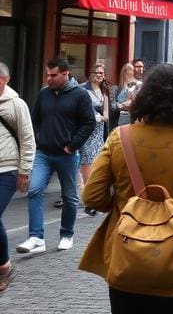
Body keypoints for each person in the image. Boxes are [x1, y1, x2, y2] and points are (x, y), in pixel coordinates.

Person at [79, 63, 173, 314]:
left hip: (127, 256)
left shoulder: (120, 138)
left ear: (145, 98)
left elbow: (92, 196)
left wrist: (125, 203)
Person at [16, 57, 95, 255]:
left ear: (65, 74)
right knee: (34, 190)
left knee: (69, 197)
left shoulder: (80, 95)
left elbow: (89, 123)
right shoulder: (44, 94)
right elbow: (35, 120)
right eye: (47, 75)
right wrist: (38, 140)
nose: (49, 79)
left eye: (53, 75)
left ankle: (67, 235)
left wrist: (72, 145)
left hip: (67, 155)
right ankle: (36, 236)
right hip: (43, 152)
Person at [0, 62, 35, 293]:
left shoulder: (16, 104)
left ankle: (4, 266)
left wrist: (25, 170)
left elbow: (27, 138)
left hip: (8, 169)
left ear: (4, 80)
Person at [79, 63, 112, 217]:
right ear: (90, 73)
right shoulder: (82, 90)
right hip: (85, 130)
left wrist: (100, 117)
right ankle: (88, 198)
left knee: (96, 163)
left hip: (98, 132)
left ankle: (91, 197)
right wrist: (91, 116)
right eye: (97, 72)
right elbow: (78, 110)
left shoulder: (105, 91)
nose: (99, 75)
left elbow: (106, 116)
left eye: (102, 72)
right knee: (86, 162)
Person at [115, 62, 141, 128]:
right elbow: (114, 102)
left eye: (131, 69)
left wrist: (128, 103)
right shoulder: (118, 88)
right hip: (119, 119)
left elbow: (138, 101)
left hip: (132, 118)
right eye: (126, 69)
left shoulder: (138, 84)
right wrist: (119, 105)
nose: (129, 71)